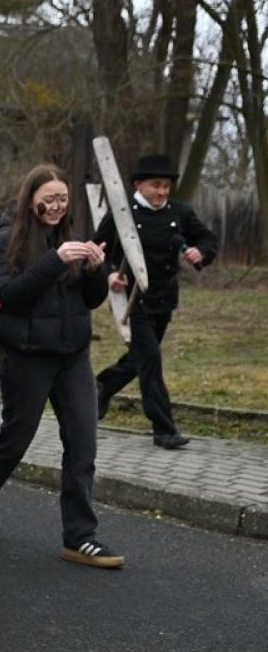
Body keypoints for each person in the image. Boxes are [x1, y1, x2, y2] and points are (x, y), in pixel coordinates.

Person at [0, 165, 121, 568]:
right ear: (30, 199)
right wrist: (54, 260)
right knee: (14, 440)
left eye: (63, 199)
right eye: (48, 199)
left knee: (83, 444)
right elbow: (8, 295)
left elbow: (90, 301)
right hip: (26, 357)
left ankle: (80, 536)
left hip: (73, 358)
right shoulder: (8, 241)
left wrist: (95, 270)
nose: (56, 207)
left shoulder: (71, 238)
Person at [92, 152, 218, 449]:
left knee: (140, 359)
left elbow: (208, 239)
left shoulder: (179, 212)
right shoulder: (123, 214)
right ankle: (164, 429)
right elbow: (97, 249)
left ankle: (102, 386)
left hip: (164, 299)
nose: (162, 192)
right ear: (139, 185)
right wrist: (109, 274)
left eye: (166, 186)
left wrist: (201, 252)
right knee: (150, 360)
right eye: (156, 185)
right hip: (132, 300)